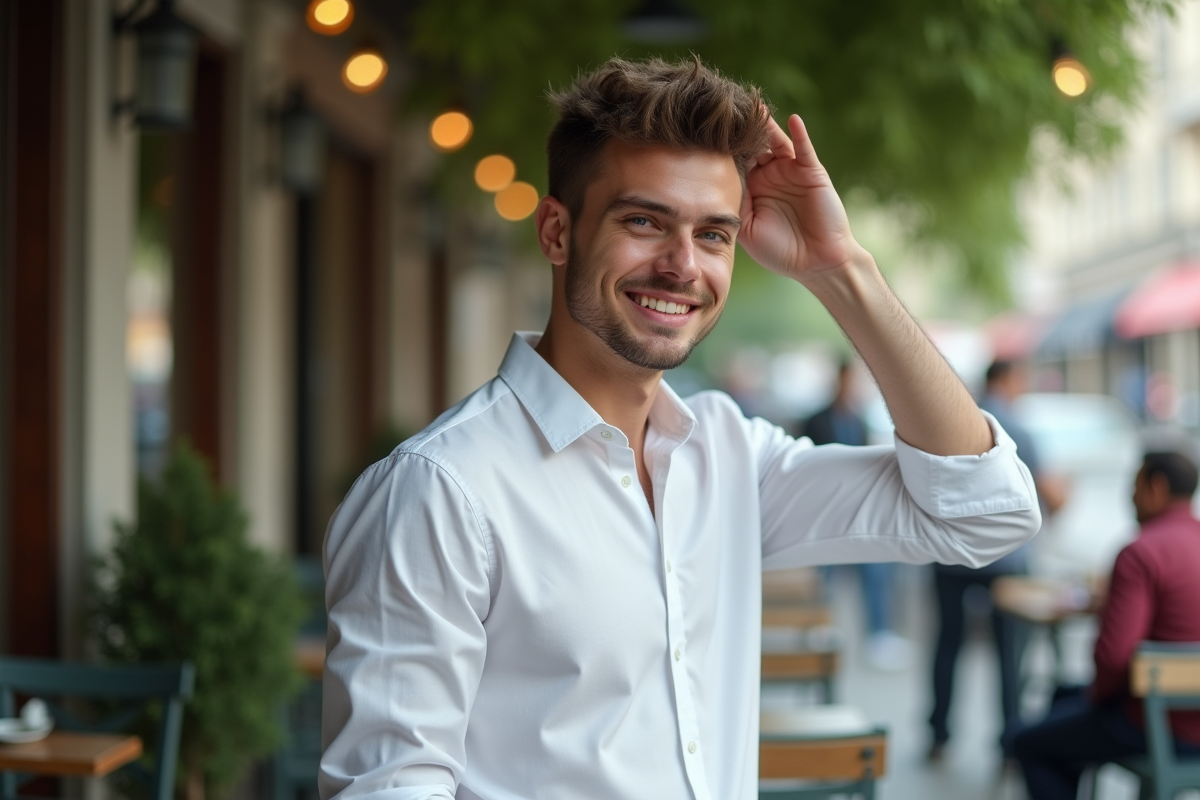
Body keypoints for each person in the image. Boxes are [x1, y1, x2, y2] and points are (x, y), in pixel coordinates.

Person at [320, 57, 1041, 800]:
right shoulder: (440, 491)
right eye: (644, 221)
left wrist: (839, 267)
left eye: (714, 235)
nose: (681, 266)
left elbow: (985, 513)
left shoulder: (728, 456)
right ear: (556, 231)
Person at [1012, 451, 1200, 800]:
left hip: (1161, 726)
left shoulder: (1142, 552)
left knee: (1026, 742)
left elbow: (1113, 659)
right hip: (1187, 712)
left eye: (1135, 485)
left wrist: (1097, 698)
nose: (1129, 496)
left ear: (1155, 488)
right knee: (1064, 696)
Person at [927, 359, 1066, 760]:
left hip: (949, 553)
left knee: (947, 644)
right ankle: (1008, 740)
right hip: (1005, 559)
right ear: (1008, 379)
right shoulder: (1017, 429)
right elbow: (1050, 496)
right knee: (1009, 652)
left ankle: (939, 733)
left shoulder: (950, 423)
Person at [801, 359, 911, 671]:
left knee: (875, 572)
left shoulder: (858, 421)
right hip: (824, 511)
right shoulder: (817, 420)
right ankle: (820, 628)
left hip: (857, 512)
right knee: (825, 577)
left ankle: (878, 635)